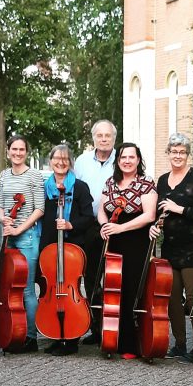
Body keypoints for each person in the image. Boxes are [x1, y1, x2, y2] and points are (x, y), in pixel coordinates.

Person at [151, 133, 193, 362]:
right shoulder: (162, 180)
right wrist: (153, 228)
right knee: (172, 298)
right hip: (169, 249)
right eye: (174, 152)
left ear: (188, 155)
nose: (178, 156)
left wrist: (179, 209)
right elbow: (158, 213)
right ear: (168, 154)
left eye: (182, 152)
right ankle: (179, 344)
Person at [97, 143, 157, 359]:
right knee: (113, 290)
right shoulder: (111, 182)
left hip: (135, 241)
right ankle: (112, 338)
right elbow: (102, 210)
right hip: (113, 242)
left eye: (132, 157)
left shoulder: (146, 183)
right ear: (118, 160)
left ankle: (131, 343)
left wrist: (120, 228)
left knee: (132, 289)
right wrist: (105, 226)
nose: (127, 161)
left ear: (138, 160)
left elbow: (149, 215)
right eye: (123, 157)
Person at [39, 143, 95, 356]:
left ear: (70, 163)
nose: (60, 162)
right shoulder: (44, 187)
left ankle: (71, 337)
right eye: (56, 159)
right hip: (50, 246)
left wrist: (71, 224)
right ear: (50, 161)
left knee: (72, 288)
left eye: (65, 159)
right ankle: (55, 334)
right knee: (49, 290)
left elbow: (88, 217)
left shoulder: (79, 187)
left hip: (73, 247)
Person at [0, 134, 45, 353]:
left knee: (26, 291)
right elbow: (0, 204)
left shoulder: (34, 175)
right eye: (14, 149)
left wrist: (19, 228)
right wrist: (2, 218)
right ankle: (12, 328)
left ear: (27, 152)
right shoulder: (4, 175)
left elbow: (39, 209)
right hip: (9, 236)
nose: (17, 153)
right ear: (8, 152)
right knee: (8, 288)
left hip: (27, 237)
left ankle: (30, 337)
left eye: (21, 150)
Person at [75, 120, 117, 343]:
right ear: (93, 138)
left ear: (113, 138)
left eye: (107, 135)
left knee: (114, 276)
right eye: (99, 135)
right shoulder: (81, 162)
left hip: (116, 225)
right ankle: (96, 327)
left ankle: (114, 326)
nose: (103, 139)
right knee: (91, 277)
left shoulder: (123, 159)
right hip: (89, 226)